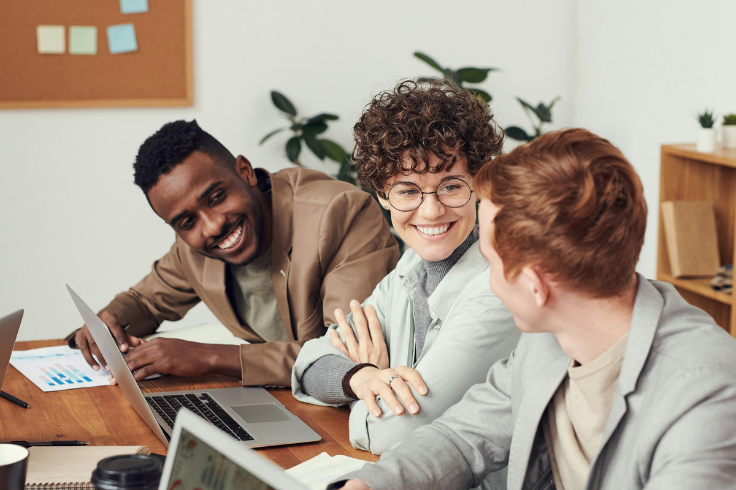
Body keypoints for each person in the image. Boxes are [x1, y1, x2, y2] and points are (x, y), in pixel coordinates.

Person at [334, 128, 736, 489]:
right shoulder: (547, 341)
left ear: (535, 286)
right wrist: (368, 486)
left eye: (489, 260)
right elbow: (460, 439)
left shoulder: (705, 394)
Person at [66, 120, 399, 387]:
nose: (211, 227)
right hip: (283, 403)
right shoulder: (192, 249)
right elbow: (145, 302)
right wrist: (110, 321)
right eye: (186, 221)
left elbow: (346, 356)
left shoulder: (339, 213)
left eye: (215, 198)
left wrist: (211, 358)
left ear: (245, 171)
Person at [291, 81, 521, 457]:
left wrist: (358, 388)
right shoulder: (409, 270)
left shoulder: (497, 292)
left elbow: (390, 435)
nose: (431, 211)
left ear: (478, 184)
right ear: (383, 195)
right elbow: (308, 362)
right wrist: (362, 377)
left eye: (450, 186)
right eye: (408, 191)